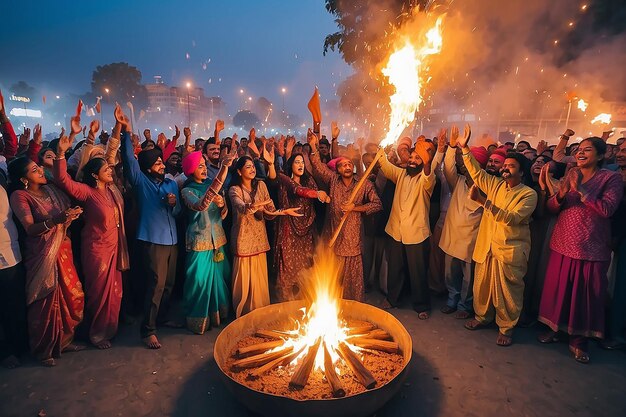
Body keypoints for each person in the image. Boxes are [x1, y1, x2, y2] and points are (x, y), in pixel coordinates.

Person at [538, 137, 623, 363]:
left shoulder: (611, 178)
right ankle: (555, 329)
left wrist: (581, 189)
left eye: (587, 150)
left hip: (591, 246)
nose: (580, 153)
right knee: (559, 291)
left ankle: (579, 341)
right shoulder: (571, 173)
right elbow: (552, 207)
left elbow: (607, 209)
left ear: (602, 155)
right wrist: (562, 193)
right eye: (578, 150)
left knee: (585, 297)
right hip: (563, 241)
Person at [457, 124, 538, 346]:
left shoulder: (528, 195)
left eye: (512, 166)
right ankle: (482, 317)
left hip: (508, 249)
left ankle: (506, 327)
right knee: (481, 286)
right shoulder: (495, 184)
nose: (506, 169)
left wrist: (483, 202)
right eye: (505, 165)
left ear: (521, 172)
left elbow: (511, 219)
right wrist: (464, 149)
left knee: (508, 291)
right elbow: (476, 172)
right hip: (487, 245)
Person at [53, 122, 129, 350]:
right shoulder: (86, 192)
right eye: (106, 169)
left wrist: (118, 127)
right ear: (95, 175)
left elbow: (112, 154)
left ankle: (110, 329)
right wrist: (60, 153)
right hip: (96, 250)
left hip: (115, 247)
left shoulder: (112, 190)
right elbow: (62, 180)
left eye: (110, 168)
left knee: (115, 293)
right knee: (98, 293)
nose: (111, 171)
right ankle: (96, 334)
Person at [8, 157, 85, 366]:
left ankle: (65, 340)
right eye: (34, 170)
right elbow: (30, 228)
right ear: (24, 179)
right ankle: (44, 349)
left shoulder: (52, 190)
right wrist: (55, 221)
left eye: (38, 167)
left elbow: (64, 212)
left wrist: (70, 216)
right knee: (45, 301)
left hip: (63, 249)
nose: (41, 171)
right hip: (41, 255)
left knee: (72, 294)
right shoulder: (20, 196)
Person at [119, 108, 181, 349]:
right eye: (156, 162)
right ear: (146, 167)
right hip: (153, 240)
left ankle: (162, 318)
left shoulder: (171, 184)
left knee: (168, 285)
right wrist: (126, 131)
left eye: (161, 161)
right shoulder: (141, 182)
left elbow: (177, 214)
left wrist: (174, 206)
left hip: (172, 239)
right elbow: (128, 160)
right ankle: (148, 330)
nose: (161, 164)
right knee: (155, 286)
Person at [308, 130, 382, 302]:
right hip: (334, 241)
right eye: (343, 165)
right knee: (332, 284)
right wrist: (313, 146)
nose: (347, 166)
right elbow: (318, 166)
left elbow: (377, 205)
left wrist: (355, 207)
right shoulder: (333, 180)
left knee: (354, 287)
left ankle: (353, 314)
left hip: (354, 245)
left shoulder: (364, 184)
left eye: (349, 164)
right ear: (338, 170)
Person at [228, 156, 301, 317]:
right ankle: (244, 314)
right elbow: (242, 208)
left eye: (253, 166)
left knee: (259, 277)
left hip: (260, 238)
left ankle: (259, 313)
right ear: (239, 172)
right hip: (243, 239)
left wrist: (283, 212)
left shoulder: (261, 185)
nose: (252, 169)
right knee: (244, 277)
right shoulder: (234, 190)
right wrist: (257, 205)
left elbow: (269, 211)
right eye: (248, 167)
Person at [378, 135, 438, 318]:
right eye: (411, 158)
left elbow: (429, 177)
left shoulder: (427, 179)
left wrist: (427, 164)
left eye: (417, 159)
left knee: (418, 272)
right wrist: (382, 148)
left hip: (416, 233)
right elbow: (387, 167)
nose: (412, 161)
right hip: (396, 230)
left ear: (424, 162)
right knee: (395, 268)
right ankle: (392, 299)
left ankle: (422, 306)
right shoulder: (401, 174)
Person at [180, 150, 235, 333]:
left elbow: (225, 214)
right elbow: (200, 205)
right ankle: (197, 319)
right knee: (198, 280)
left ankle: (217, 315)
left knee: (220, 279)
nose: (204, 169)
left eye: (204, 165)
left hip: (217, 240)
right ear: (190, 170)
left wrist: (222, 205)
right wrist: (223, 170)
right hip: (200, 241)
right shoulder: (187, 190)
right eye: (200, 166)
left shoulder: (212, 185)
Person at [438, 126, 488, 319]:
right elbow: (448, 166)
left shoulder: (487, 186)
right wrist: (452, 146)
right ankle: (452, 299)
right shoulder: (457, 181)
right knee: (450, 273)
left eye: (470, 165)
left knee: (468, 277)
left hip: (471, 240)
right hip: (452, 236)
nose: (465, 168)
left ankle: (464, 306)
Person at [271, 152, 330, 301]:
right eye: (297, 162)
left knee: (306, 266)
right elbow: (297, 190)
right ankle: (285, 304)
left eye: (302, 162)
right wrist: (317, 194)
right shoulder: (284, 179)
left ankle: (305, 304)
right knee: (287, 267)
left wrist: (324, 197)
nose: (300, 165)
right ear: (290, 164)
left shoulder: (309, 180)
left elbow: (318, 197)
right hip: (288, 230)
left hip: (307, 230)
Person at [0, 181, 28, 368]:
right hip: (2, 258)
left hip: (13, 253)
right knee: (4, 307)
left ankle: (18, 345)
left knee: (15, 303)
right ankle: (6, 351)